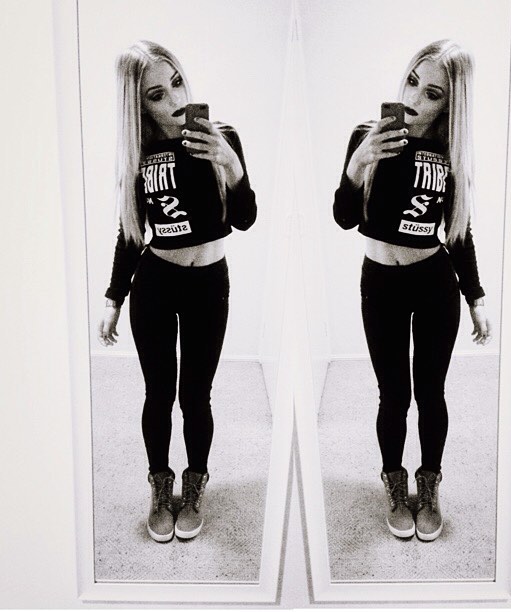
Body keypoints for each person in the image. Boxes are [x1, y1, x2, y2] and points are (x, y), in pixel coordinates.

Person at [97, 40, 257, 542]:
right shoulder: (139, 156)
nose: (174, 100)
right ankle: (159, 482)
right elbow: (131, 233)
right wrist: (113, 299)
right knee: (158, 392)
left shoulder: (223, 137)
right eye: (156, 95)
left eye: (177, 83)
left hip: (209, 284)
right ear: (138, 105)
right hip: (156, 285)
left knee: (196, 394)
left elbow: (246, 219)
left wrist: (231, 166)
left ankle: (194, 482)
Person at [333, 40, 491, 542]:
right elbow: (343, 218)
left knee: (431, 392)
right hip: (380, 283)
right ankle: (394, 481)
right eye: (412, 82)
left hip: (434, 283)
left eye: (433, 94)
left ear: (450, 104)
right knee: (393, 393)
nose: (415, 99)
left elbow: (458, 232)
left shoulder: (450, 154)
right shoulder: (367, 136)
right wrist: (358, 165)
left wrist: (476, 298)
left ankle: (430, 481)